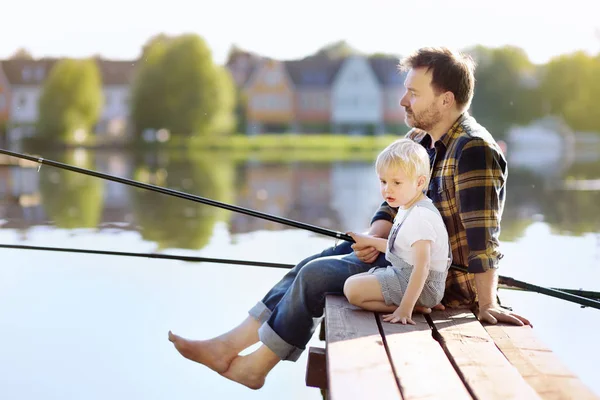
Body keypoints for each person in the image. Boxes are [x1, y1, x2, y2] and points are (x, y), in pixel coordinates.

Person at [167, 46, 531, 390]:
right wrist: (370, 242)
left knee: (315, 275)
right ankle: (228, 345)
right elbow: (391, 206)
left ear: (446, 99)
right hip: (396, 253)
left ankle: (255, 367)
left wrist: (487, 304)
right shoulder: (420, 140)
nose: (403, 100)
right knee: (312, 261)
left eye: (414, 93)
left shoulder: (474, 149)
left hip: (438, 279)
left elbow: (484, 238)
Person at [344, 138, 451, 325]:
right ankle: (416, 306)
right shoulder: (408, 206)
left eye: (396, 183)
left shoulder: (420, 217)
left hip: (423, 285)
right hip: (405, 274)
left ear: (420, 183)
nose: (387, 190)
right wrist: (367, 240)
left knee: (352, 289)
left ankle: (412, 307)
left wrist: (405, 308)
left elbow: (422, 266)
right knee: (356, 280)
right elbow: (401, 249)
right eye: (383, 181)